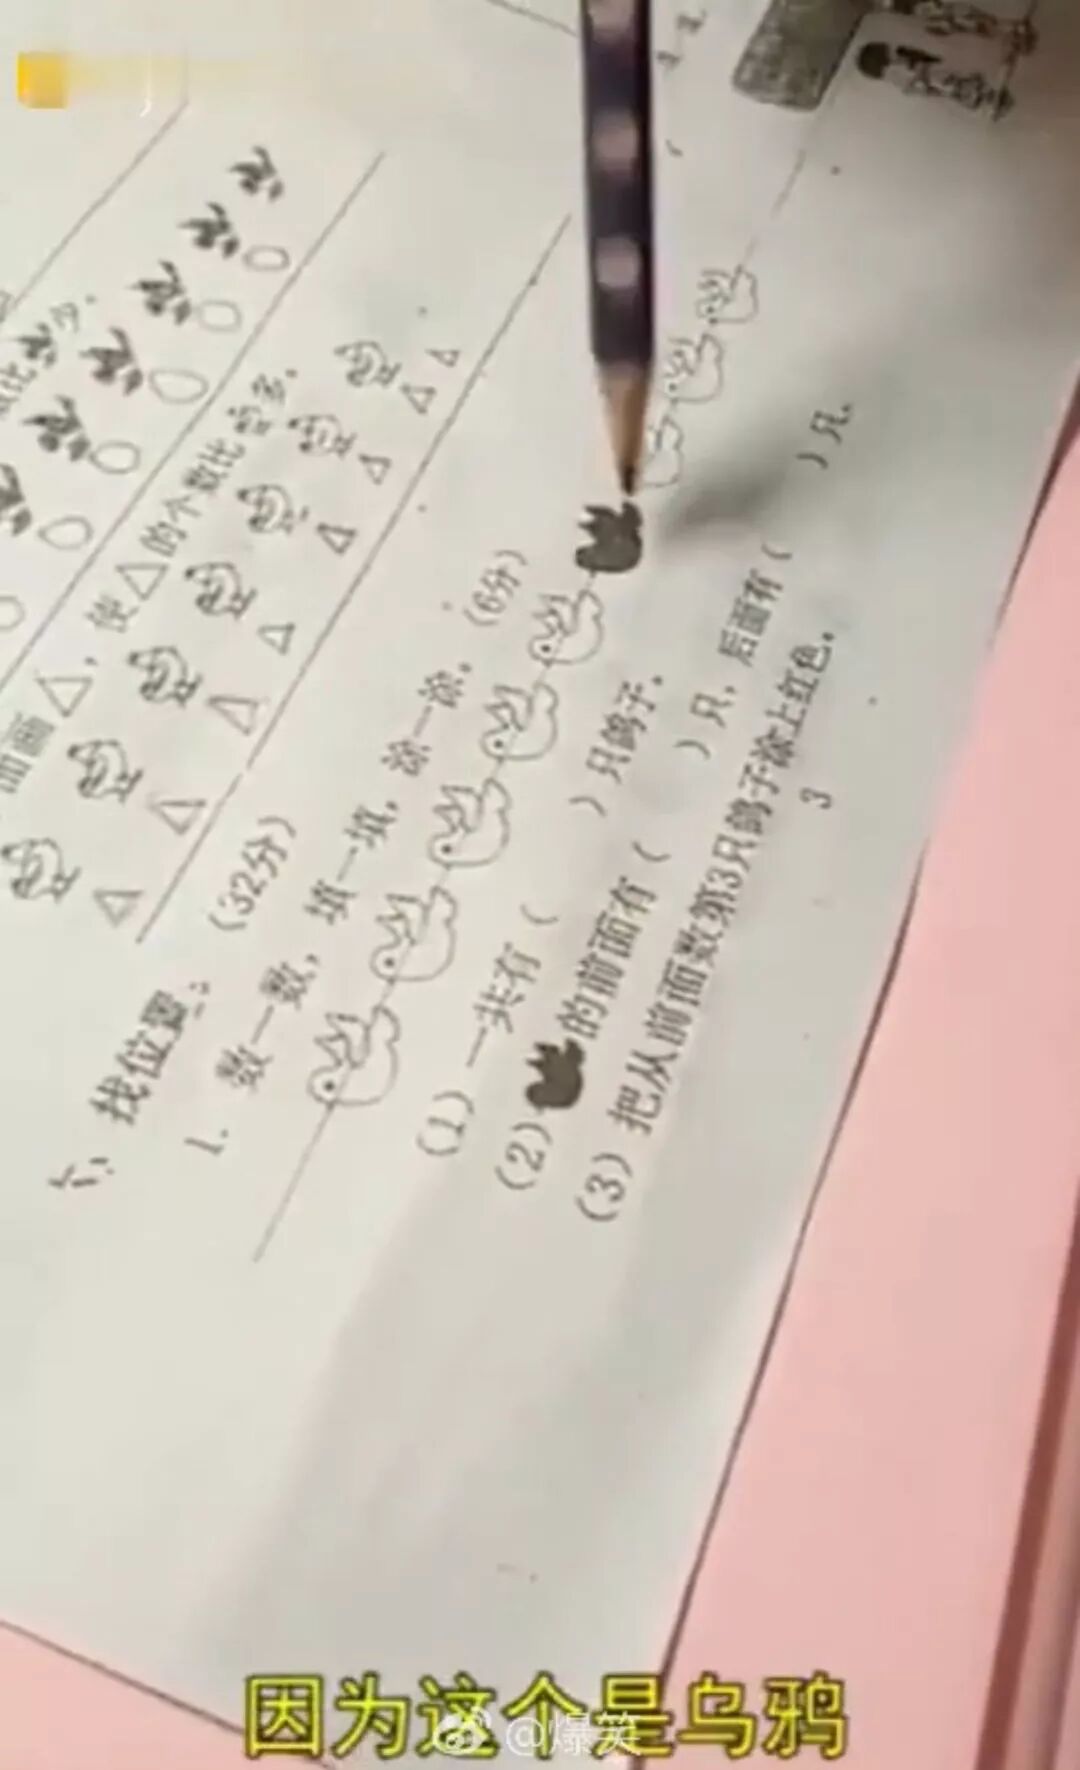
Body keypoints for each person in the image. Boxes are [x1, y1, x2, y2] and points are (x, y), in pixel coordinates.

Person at [856, 39, 1014, 117]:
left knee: (963, 83)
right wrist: (921, 72)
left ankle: (988, 97)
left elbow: (923, 64)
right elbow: (912, 87)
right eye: (889, 53)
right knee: (960, 87)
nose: (893, 53)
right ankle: (988, 101)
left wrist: (923, 64)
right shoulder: (895, 74)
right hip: (937, 80)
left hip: (939, 75)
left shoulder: (901, 59)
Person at [872, 0, 1036, 54]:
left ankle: (1015, 30)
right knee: (978, 24)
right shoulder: (904, 7)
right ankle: (1014, 32)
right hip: (939, 14)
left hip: (939, 12)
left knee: (979, 22)